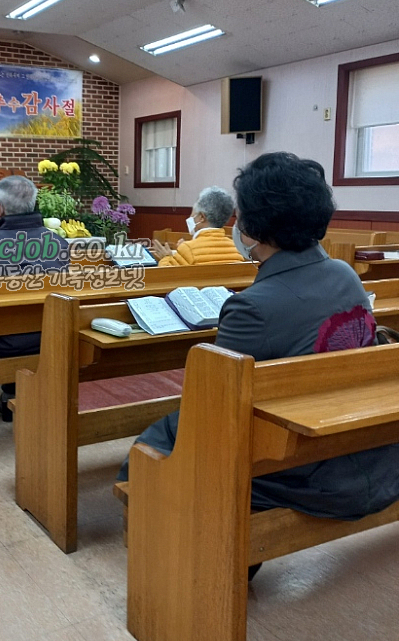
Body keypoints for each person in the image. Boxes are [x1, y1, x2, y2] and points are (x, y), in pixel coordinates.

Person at [117, 153, 399, 573]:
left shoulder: (251, 308)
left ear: (253, 227)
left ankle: (187, 568)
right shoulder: (345, 274)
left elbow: (213, 416)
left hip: (314, 470)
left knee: (151, 449)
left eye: (240, 216)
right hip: (370, 449)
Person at [0, 174, 68, 424]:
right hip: (48, 336)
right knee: (19, 320)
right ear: (33, 204)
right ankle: (10, 393)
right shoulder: (59, 244)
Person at [152, 186, 242, 265]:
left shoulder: (188, 249)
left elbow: (167, 276)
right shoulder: (237, 249)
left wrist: (166, 258)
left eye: (193, 212)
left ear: (201, 217)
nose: (190, 217)